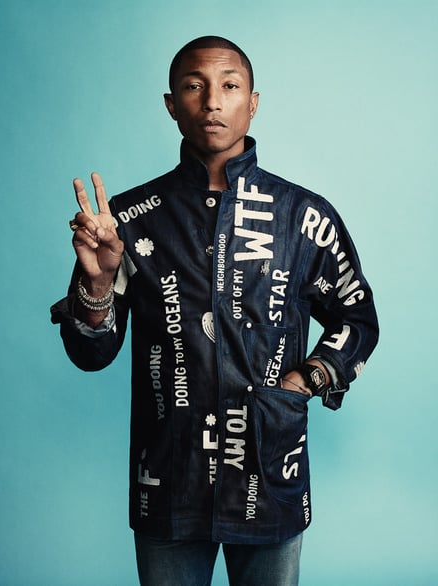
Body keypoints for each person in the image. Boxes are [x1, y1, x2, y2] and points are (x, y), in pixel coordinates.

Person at [51, 36, 379, 586]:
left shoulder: (302, 215)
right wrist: (99, 279)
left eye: (229, 86)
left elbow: (357, 319)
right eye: (193, 86)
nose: (212, 101)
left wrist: (309, 378)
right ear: (171, 104)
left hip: (269, 473)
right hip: (169, 479)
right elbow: (91, 354)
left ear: (253, 102)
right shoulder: (129, 220)